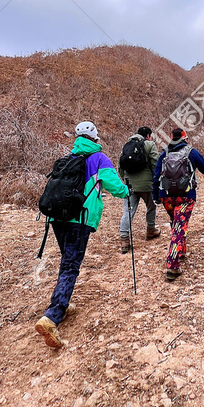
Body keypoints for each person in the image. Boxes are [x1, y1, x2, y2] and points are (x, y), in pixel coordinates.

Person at [35, 120, 129, 349]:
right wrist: (127, 190)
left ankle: (62, 303)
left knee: (67, 261)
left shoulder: (68, 158)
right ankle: (53, 316)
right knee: (70, 265)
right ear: (95, 138)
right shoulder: (99, 158)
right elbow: (117, 188)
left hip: (57, 218)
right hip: (80, 219)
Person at [153, 128, 204, 281]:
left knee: (177, 223)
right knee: (179, 228)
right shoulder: (191, 152)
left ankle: (180, 251)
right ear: (185, 138)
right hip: (185, 196)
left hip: (166, 197)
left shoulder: (164, 153)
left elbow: (156, 176)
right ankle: (172, 265)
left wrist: (156, 196)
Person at [118, 126, 160, 253]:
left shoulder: (127, 145)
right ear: (148, 135)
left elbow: (120, 166)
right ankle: (151, 230)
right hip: (147, 185)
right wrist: (155, 180)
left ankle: (124, 240)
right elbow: (155, 163)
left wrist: (125, 180)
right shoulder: (149, 144)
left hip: (129, 184)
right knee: (151, 207)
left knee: (128, 212)